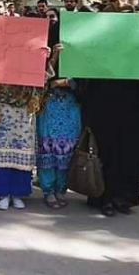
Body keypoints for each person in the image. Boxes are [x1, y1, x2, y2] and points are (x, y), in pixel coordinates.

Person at [82, 0, 139, 216]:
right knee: (107, 151)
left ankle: (124, 197)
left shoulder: (138, 44)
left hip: (130, 105)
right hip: (104, 105)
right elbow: (86, 73)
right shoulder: (98, 43)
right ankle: (105, 198)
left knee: (128, 151)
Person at [0, 59, 51, 211]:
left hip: (24, 111)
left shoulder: (31, 57)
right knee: (0, 152)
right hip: (1, 110)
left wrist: (46, 57)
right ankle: (2, 193)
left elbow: (41, 81)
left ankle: (18, 193)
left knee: (21, 152)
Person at [36, 44, 81, 209]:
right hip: (49, 105)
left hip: (71, 107)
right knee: (48, 147)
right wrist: (53, 57)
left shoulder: (82, 53)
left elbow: (87, 80)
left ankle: (61, 189)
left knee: (67, 149)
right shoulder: (47, 49)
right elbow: (40, 78)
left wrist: (66, 82)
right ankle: (48, 191)